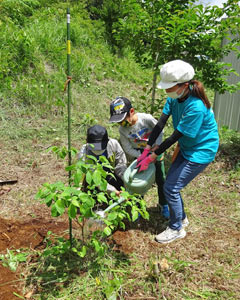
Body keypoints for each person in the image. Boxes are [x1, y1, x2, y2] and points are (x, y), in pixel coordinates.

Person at [137, 59, 219, 244]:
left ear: (184, 85)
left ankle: (176, 229)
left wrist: (153, 156)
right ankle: (181, 218)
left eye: (170, 87)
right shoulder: (174, 98)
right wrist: (148, 147)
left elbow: (174, 136)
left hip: (201, 150)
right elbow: (160, 124)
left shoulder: (196, 107)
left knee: (171, 187)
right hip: (187, 145)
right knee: (171, 184)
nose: (167, 91)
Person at [109, 96, 170, 219]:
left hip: (156, 150)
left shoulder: (146, 119)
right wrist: (141, 156)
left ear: (131, 112)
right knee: (136, 182)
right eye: (118, 122)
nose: (122, 124)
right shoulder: (122, 130)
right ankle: (138, 208)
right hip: (138, 155)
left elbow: (159, 130)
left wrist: (157, 147)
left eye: (123, 120)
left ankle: (163, 204)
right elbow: (127, 148)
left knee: (161, 179)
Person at [78, 125, 127, 196]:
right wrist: (113, 191)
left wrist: (126, 182)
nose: (98, 150)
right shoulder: (84, 152)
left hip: (110, 175)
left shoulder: (113, 144)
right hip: (94, 180)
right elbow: (95, 178)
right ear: (87, 142)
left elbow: (121, 166)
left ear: (107, 141)